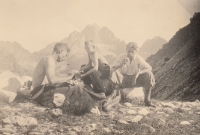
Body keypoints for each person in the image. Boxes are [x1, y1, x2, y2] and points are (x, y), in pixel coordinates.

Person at [112, 42, 155, 107]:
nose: (130, 53)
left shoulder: (138, 59)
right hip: (123, 80)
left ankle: (147, 101)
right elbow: (113, 68)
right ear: (126, 50)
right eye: (128, 51)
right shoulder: (121, 57)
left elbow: (149, 68)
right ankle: (115, 98)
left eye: (132, 52)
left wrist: (138, 73)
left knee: (149, 74)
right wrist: (120, 65)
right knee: (114, 74)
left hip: (135, 80)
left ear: (136, 51)